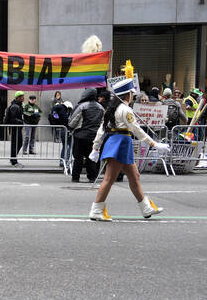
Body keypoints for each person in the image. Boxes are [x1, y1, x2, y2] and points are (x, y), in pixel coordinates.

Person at [87, 76, 170, 221]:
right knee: (108, 179)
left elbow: (102, 129)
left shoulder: (111, 109)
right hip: (120, 144)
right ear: (127, 94)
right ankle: (96, 210)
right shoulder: (125, 110)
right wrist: (154, 144)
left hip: (118, 143)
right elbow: (136, 129)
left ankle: (145, 207)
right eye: (131, 93)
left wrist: (96, 147)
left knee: (134, 176)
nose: (132, 96)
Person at [68, 88, 104, 182]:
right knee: (92, 157)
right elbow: (104, 122)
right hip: (95, 137)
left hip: (81, 136)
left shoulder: (82, 106)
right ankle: (92, 177)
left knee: (78, 157)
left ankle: (76, 177)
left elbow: (73, 120)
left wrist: (70, 128)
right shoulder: (101, 107)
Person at [4, 91, 25, 168]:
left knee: (19, 144)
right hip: (14, 128)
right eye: (21, 96)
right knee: (15, 144)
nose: (23, 98)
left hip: (17, 128)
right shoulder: (14, 106)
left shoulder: (19, 105)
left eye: (23, 96)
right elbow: (12, 119)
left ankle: (13, 158)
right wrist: (21, 122)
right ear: (18, 98)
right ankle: (13, 161)